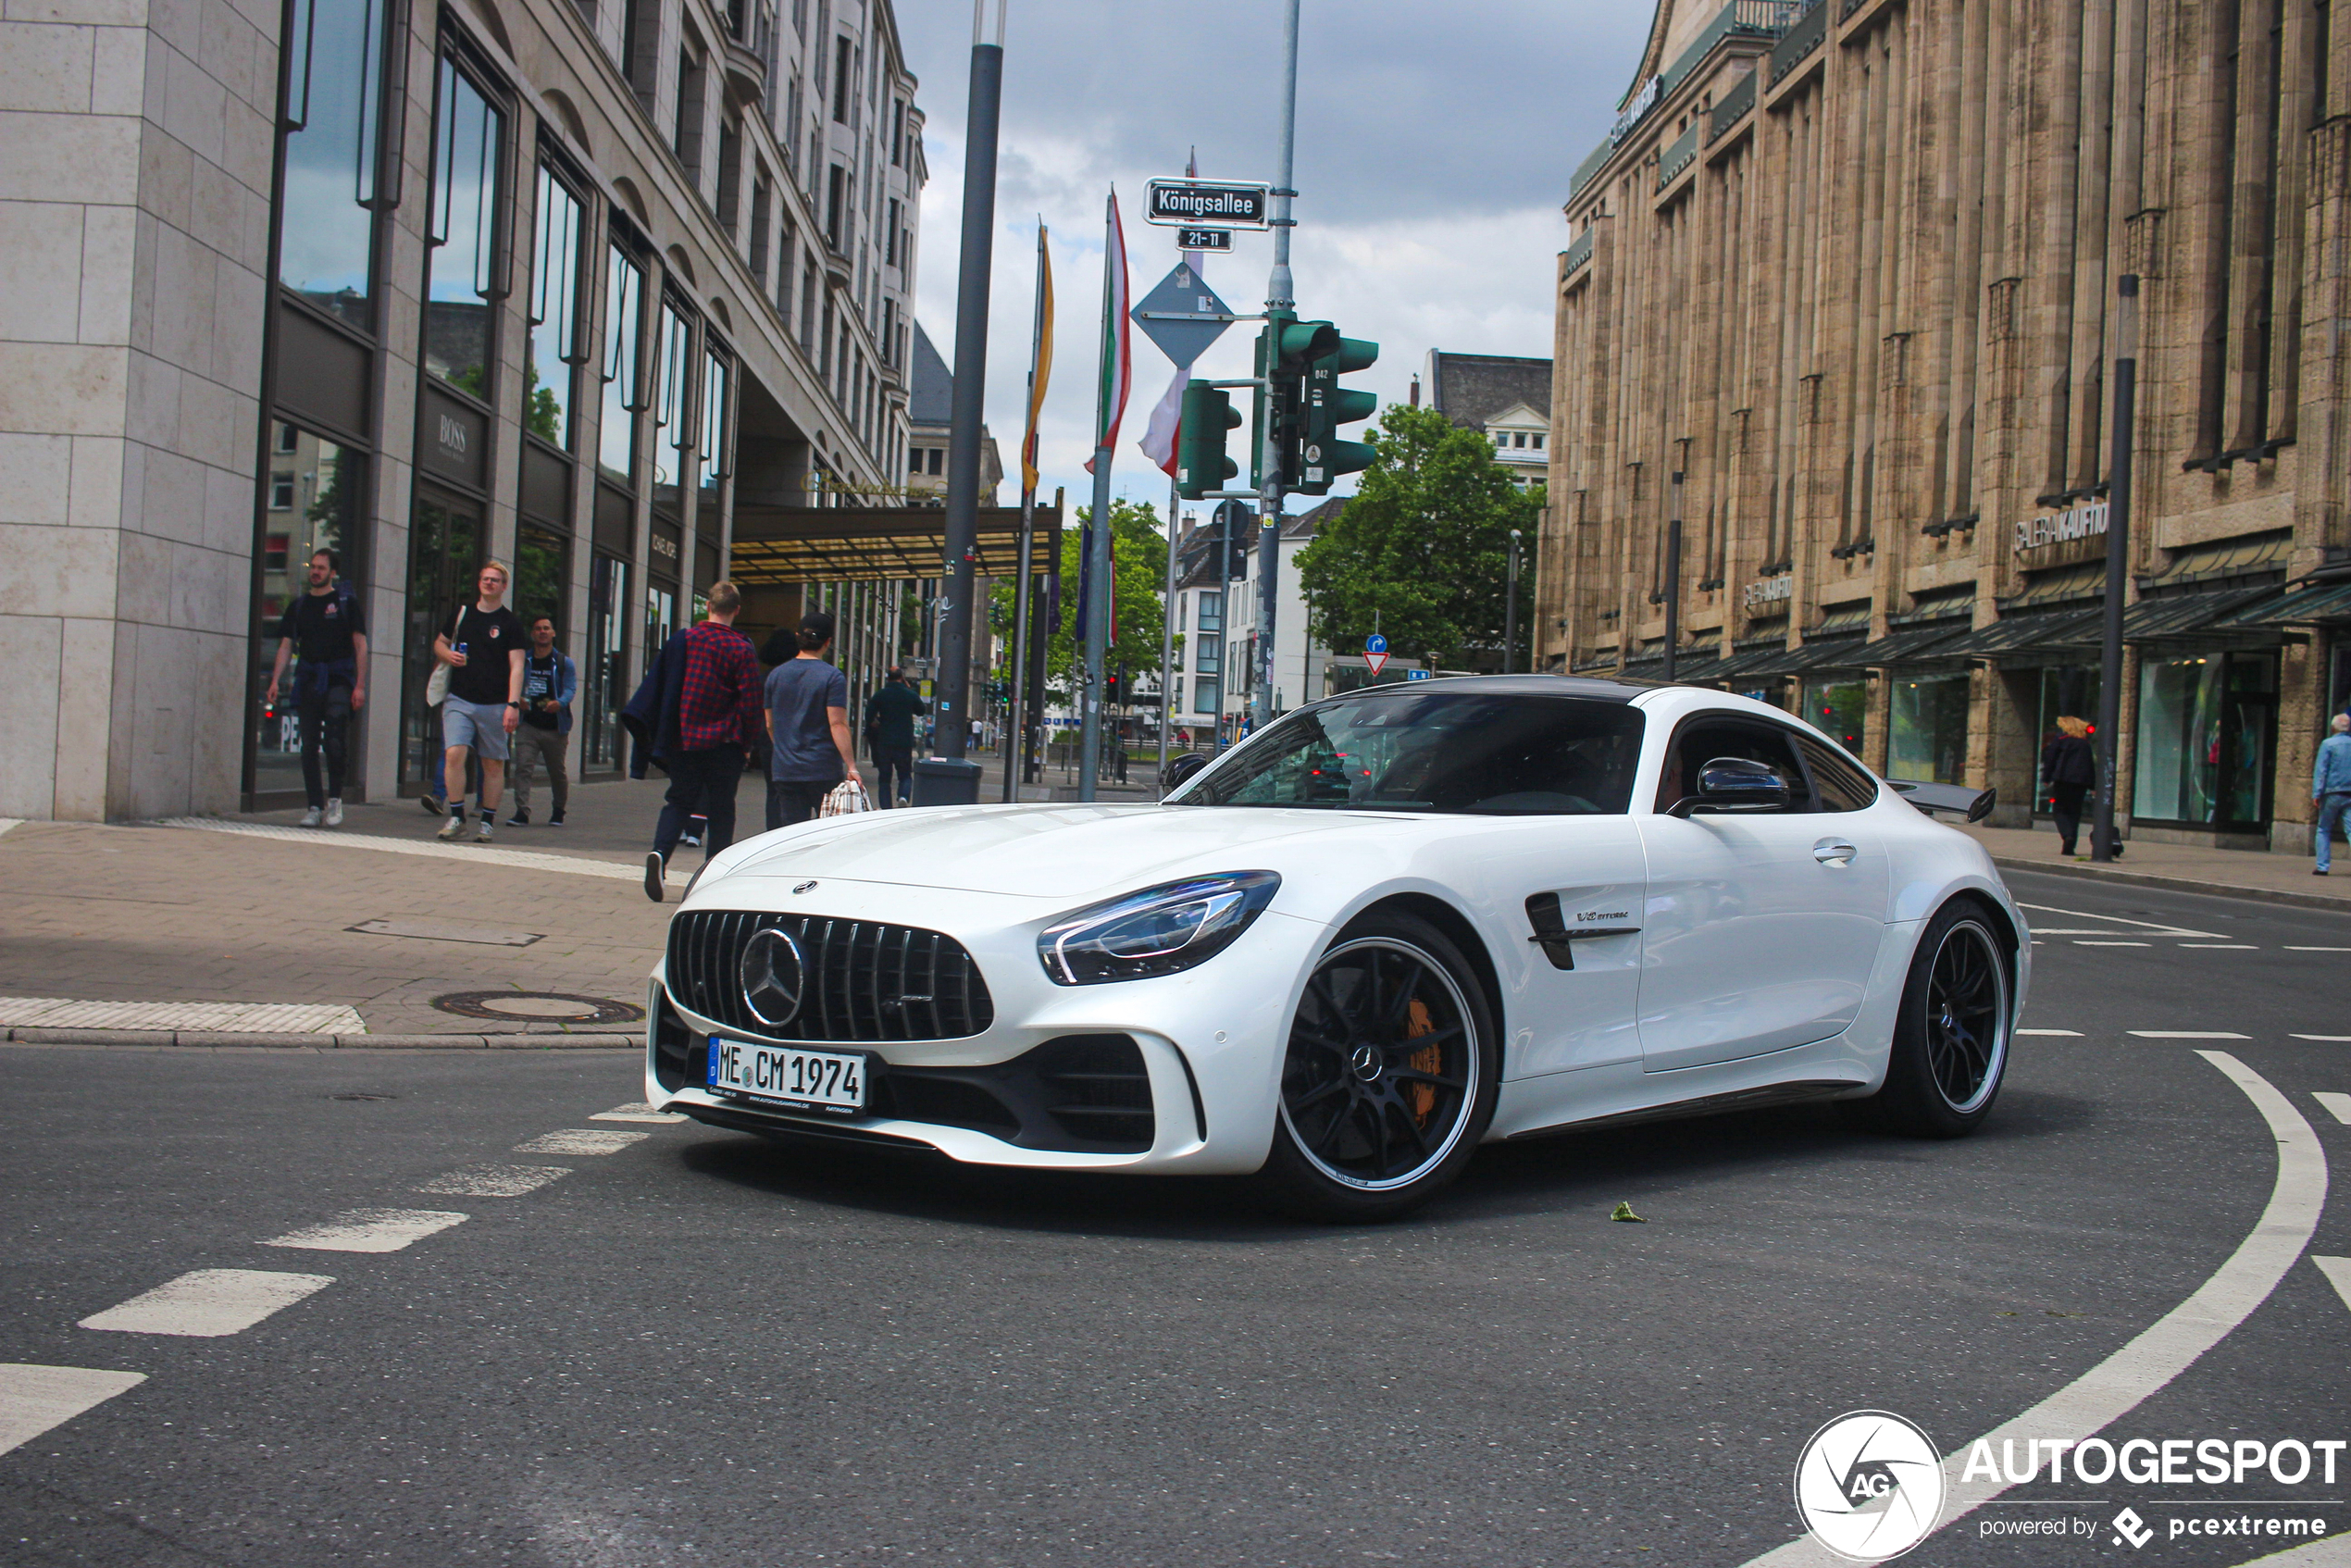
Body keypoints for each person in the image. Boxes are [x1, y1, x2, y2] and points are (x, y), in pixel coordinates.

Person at [643, 580, 763, 902]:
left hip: (685, 738)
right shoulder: (742, 648)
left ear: (707, 606)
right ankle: (713, 876)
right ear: (736, 610)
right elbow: (751, 701)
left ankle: (659, 853)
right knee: (722, 807)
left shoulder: (684, 640)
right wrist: (749, 743)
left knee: (679, 800)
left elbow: (666, 685)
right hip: (726, 742)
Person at [263, 548, 367, 828]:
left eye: (321, 567)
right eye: (313, 566)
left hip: (339, 678)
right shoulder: (299, 606)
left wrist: (360, 685)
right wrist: (275, 679)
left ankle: (334, 800)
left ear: (333, 572)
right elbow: (286, 645)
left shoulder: (346, 603)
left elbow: (360, 645)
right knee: (308, 745)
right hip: (308, 679)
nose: (315, 572)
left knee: (334, 738)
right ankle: (313, 806)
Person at [431, 560, 527, 842]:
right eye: (485, 579)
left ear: (503, 587)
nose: (489, 583)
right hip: (459, 698)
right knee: (454, 754)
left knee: (493, 765)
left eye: (495, 580)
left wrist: (512, 704)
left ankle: (487, 821)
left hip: (496, 703)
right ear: (479, 583)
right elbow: (439, 642)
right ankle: (458, 817)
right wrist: (448, 655)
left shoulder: (510, 623)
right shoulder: (462, 614)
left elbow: (518, 666)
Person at [765, 610, 862, 831]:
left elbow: (770, 724)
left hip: (785, 769)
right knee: (825, 832)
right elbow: (837, 724)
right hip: (822, 768)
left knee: (791, 832)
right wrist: (851, 766)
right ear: (827, 642)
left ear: (798, 636)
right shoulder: (832, 676)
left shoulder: (776, 676)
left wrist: (784, 750)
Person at [506, 615, 576, 827]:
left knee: (556, 772)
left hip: (555, 727)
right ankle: (522, 811)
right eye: (538, 628)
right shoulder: (523, 660)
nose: (542, 632)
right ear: (533, 634)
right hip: (528, 724)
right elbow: (511, 683)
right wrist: (518, 700)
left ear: (553, 633)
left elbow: (570, 688)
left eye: (546, 628)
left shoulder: (563, 663)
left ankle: (558, 810)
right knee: (523, 768)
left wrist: (560, 702)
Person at [864, 666, 928, 808]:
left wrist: (876, 723)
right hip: (903, 741)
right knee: (905, 774)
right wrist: (908, 688)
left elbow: (868, 715)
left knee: (884, 778)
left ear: (888, 678)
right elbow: (921, 711)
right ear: (902, 678)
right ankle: (903, 796)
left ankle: (886, 808)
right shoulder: (909, 694)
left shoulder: (880, 695)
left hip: (884, 740)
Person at [2040, 715, 2097, 857]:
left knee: (2059, 809)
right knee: (2075, 812)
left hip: (2063, 779)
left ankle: (2067, 835)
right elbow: (2090, 764)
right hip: (2081, 782)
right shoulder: (2085, 743)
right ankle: (2071, 841)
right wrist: (2092, 785)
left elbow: (2051, 759)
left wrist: (2046, 777)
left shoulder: (2061, 740)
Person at [2315, 712, 2351, 877]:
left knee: (2324, 828)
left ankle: (2323, 866)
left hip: (2332, 792)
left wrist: (2316, 793)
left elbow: (2321, 770)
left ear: (2333, 727)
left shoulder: (2328, 744)